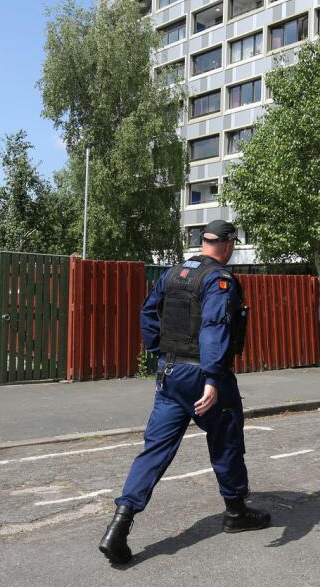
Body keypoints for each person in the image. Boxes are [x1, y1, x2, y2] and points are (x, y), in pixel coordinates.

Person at [98, 219, 270, 565]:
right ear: (229, 244)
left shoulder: (174, 273)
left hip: (170, 373)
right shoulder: (219, 280)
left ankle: (120, 524)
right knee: (226, 439)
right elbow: (213, 327)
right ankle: (236, 512)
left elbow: (149, 313)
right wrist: (211, 378)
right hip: (202, 375)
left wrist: (159, 353)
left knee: (155, 450)